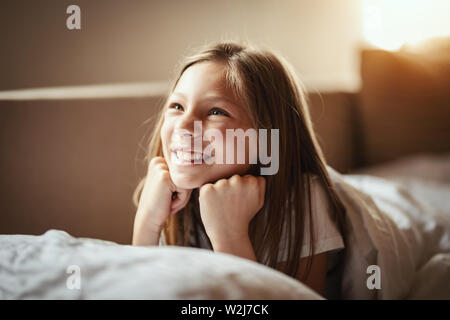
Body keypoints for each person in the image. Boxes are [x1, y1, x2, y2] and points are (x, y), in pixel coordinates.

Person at [132, 42, 347, 297]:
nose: (184, 125)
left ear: (266, 139)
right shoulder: (169, 195)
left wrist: (229, 235)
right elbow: (141, 292)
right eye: (177, 106)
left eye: (215, 111)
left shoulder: (300, 198)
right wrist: (147, 220)